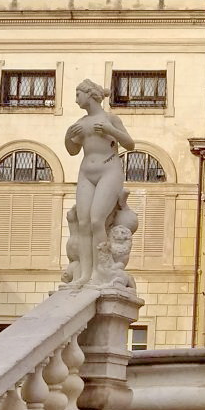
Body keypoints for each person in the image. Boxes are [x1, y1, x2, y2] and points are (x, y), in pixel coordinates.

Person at [63, 79, 135, 286]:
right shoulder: (81, 122)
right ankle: (84, 274)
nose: (76, 100)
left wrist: (110, 130)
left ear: (89, 94)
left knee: (96, 220)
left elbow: (130, 144)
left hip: (109, 170)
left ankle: (100, 270)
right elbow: (73, 150)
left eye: (78, 95)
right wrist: (68, 137)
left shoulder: (110, 118)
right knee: (83, 222)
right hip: (86, 172)